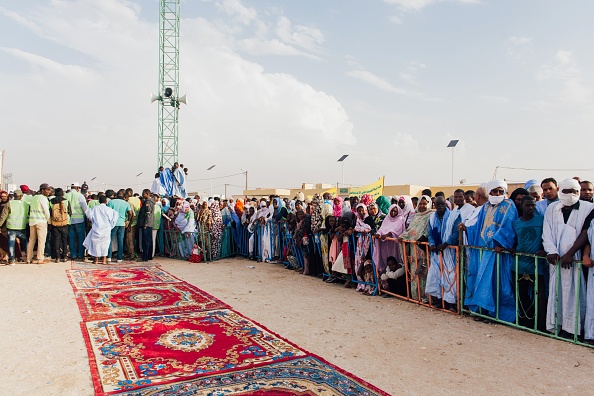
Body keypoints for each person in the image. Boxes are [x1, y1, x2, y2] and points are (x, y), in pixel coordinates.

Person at [542, 178, 594, 338]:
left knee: (577, 294)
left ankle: (575, 329)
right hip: (557, 260)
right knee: (557, 292)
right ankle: (558, 325)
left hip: (576, 260)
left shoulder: (588, 208)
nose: (571, 194)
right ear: (560, 190)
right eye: (567, 191)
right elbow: (547, 232)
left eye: (575, 191)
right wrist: (551, 251)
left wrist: (570, 254)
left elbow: (586, 234)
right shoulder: (552, 208)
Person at [463, 180, 518, 322]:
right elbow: (479, 226)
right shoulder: (485, 206)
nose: (498, 193)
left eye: (501, 191)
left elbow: (509, 226)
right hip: (483, 250)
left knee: (497, 283)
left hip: (497, 251)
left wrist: (500, 243)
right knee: (481, 281)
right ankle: (482, 311)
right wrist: (467, 229)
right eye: (495, 191)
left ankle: (497, 314)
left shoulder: (509, 205)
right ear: (490, 192)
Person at [511, 195, 547, 330]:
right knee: (521, 295)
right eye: (527, 205)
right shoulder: (516, 223)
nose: (530, 208)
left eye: (533, 205)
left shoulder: (541, 220)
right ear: (521, 206)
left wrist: (544, 250)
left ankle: (540, 325)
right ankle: (526, 320)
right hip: (519, 264)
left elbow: (547, 236)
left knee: (539, 296)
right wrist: (512, 248)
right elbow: (513, 240)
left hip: (537, 265)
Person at [425, 196, 461, 311]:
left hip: (449, 252)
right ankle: (438, 301)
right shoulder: (431, 218)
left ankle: (452, 303)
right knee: (435, 276)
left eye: (442, 204)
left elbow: (456, 233)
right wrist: (431, 244)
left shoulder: (454, 216)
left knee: (451, 277)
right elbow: (430, 234)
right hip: (436, 252)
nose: (440, 206)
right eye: (437, 204)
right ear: (434, 205)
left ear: (446, 204)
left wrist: (446, 243)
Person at [400, 195, 434, 302]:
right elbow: (410, 230)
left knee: (424, 271)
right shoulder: (416, 216)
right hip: (413, 248)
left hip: (423, 248)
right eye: (421, 203)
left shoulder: (431, 215)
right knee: (414, 271)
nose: (423, 206)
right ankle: (416, 295)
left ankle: (426, 297)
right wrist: (403, 237)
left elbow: (429, 230)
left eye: (425, 204)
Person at [83, 195, 118, 264]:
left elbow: (88, 214)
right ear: (106, 201)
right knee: (105, 244)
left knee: (96, 244)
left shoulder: (94, 208)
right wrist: (110, 226)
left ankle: (96, 260)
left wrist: (93, 220)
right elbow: (114, 218)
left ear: (99, 201)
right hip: (106, 229)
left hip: (96, 228)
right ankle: (104, 260)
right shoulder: (109, 210)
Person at [0, 189, 29, 264]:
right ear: (21, 196)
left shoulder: (9, 203)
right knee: (25, 243)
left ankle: (11, 260)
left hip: (11, 226)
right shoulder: (25, 204)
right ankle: (28, 257)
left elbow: (3, 216)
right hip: (22, 226)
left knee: (11, 244)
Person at [27, 183, 52, 264]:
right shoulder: (43, 199)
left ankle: (29, 258)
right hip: (41, 222)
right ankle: (40, 258)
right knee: (41, 241)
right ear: (42, 190)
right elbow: (46, 212)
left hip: (32, 221)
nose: (49, 191)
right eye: (47, 190)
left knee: (31, 240)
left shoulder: (34, 198)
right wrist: (49, 221)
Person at [107, 190, 134, 263]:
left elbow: (108, 212)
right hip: (122, 223)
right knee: (120, 241)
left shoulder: (111, 202)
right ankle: (119, 258)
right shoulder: (126, 203)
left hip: (113, 223)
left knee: (110, 240)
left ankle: (109, 257)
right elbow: (130, 213)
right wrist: (128, 221)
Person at [65, 182, 88, 260]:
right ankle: (80, 254)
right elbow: (85, 208)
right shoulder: (80, 196)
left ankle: (73, 254)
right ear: (78, 188)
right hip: (79, 220)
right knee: (81, 238)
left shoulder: (66, 195)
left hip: (69, 220)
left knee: (71, 238)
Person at [49, 188, 71, 262]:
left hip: (55, 224)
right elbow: (70, 212)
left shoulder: (51, 201)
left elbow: (50, 212)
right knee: (64, 240)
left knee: (56, 240)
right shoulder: (66, 201)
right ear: (62, 193)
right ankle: (64, 256)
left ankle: (57, 257)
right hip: (64, 223)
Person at [136, 189, 155, 262]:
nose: (143, 195)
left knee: (146, 241)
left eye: (144, 194)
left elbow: (148, 214)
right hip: (149, 224)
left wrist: (145, 224)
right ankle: (148, 256)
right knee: (149, 240)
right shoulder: (150, 202)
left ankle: (145, 257)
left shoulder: (148, 202)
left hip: (147, 224)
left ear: (147, 194)